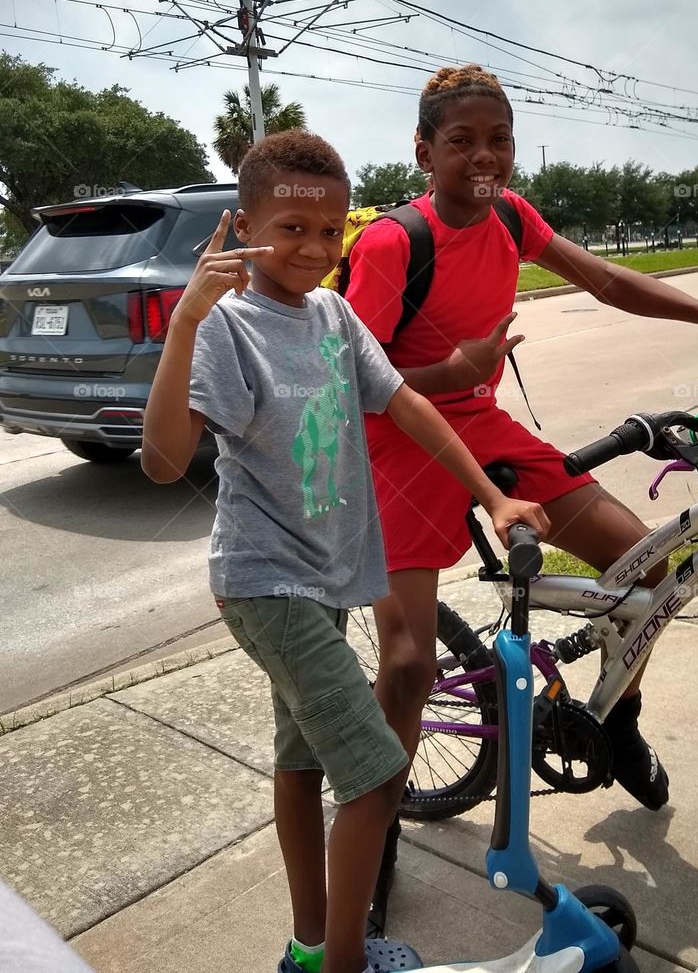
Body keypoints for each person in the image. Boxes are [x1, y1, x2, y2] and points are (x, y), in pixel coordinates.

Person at [141, 130, 548, 973]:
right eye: (291, 229)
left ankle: (311, 946)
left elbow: (406, 404)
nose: (315, 249)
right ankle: (346, 965)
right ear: (244, 223)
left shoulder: (331, 314)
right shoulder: (227, 327)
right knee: (372, 777)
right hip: (264, 584)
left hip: (322, 581)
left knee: (301, 766)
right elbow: (164, 461)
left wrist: (495, 493)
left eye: (331, 233)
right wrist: (184, 321)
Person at [344, 64, 698, 818]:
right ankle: (373, 832)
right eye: (462, 142)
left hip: (484, 429)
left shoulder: (512, 217)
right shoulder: (394, 242)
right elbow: (345, 379)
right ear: (423, 152)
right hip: (399, 444)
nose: (484, 157)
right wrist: (453, 368)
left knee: (645, 576)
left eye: (500, 140)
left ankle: (618, 725)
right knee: (411, 665)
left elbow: (606, 280)